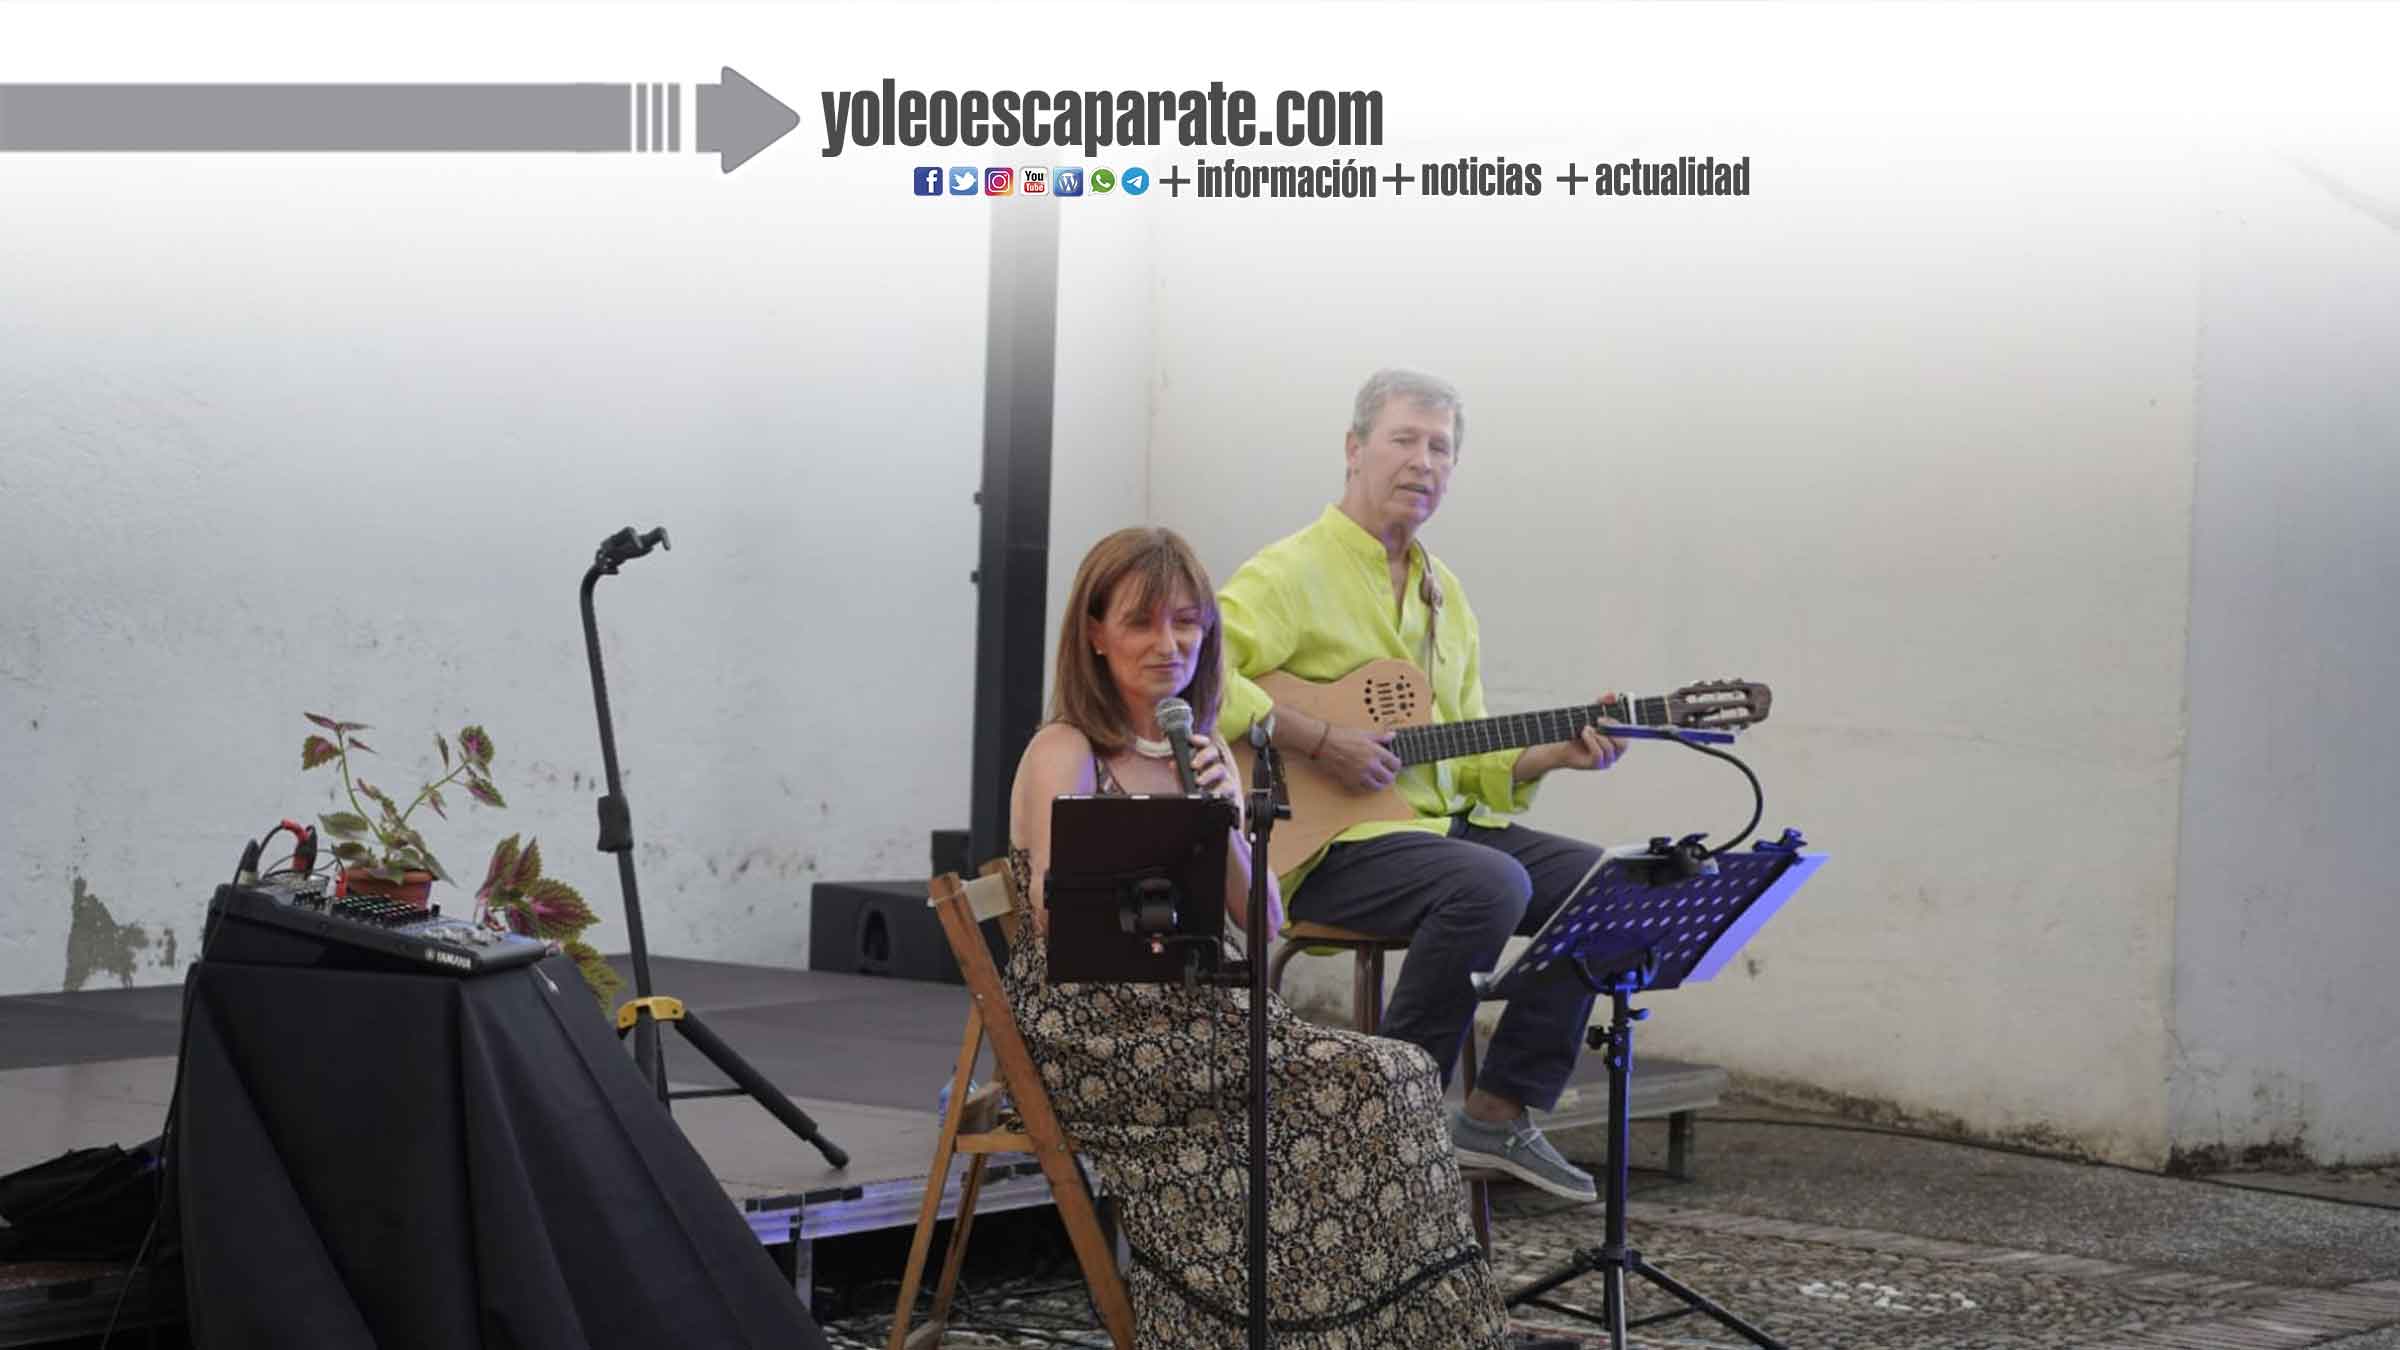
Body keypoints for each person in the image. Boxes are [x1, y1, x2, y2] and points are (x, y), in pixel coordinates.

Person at [1005, 526, 1523, 1350]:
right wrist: (1155, 838)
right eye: (1141, 622)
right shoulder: (1064, 749)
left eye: (1186, 621)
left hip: (1201, 1011)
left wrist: (1222, 819)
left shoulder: (1204, 747)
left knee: (1401, 1072)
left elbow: (1268, 925)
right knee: (1366, 1085)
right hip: (1095, 1028)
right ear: (1095, 634)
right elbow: (1050, 915)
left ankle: (1394, 1327)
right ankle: (1300, 1324)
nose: (1168, 644)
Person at [1217, 370, 1630, 1205]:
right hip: (1323, 844)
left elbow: (1461, 762)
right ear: (1353, 448)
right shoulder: (1290, 572)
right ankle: (1387, 1125)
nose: (1423, 461)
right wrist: (1320, 739)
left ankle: (1497, 1111)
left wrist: (1550, 755)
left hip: (1431, 834)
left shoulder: (1448, 595)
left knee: (1610, 882)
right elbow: (1201, 678)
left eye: (1440, 447)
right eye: (1404, 439)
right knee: (1490, 883)